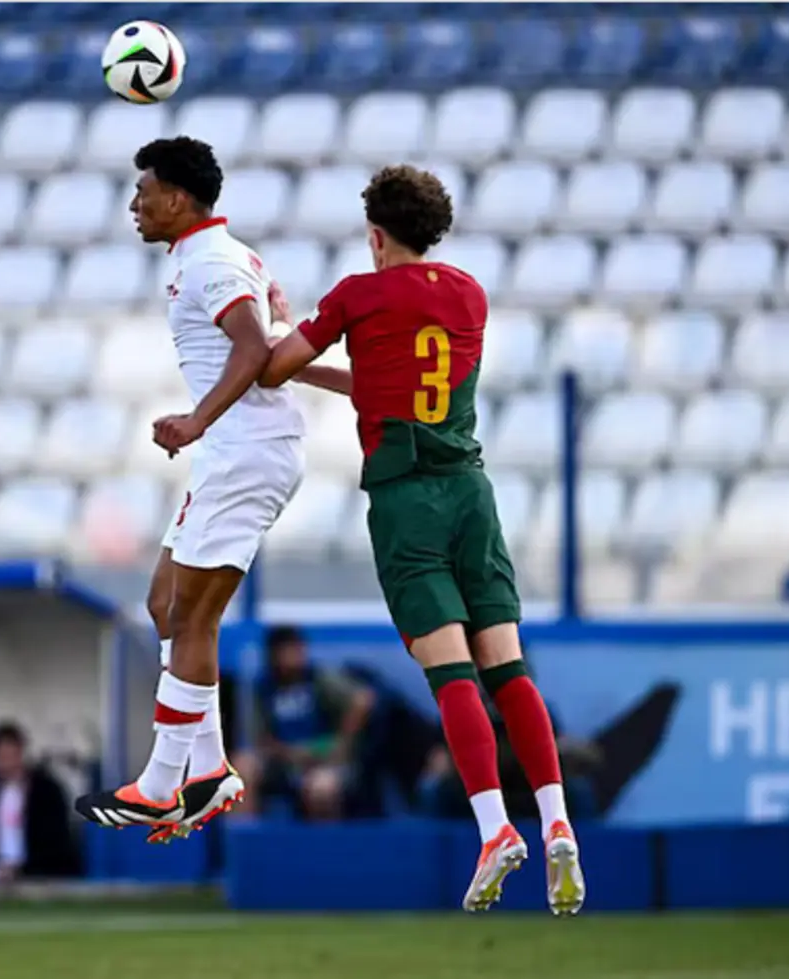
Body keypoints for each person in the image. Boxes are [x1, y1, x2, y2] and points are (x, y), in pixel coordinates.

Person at [259, 165, 586, 916]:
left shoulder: (357, 293)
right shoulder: (469, 294)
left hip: (407, 502)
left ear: (376, 234)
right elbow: (389, 381)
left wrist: (285, 334)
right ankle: (556, 815)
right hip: (471, 492)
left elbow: (275, 366)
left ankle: (495, 826)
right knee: (508, 664)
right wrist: (326, 373)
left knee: (453, 676)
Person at [75, 137, 306, 843]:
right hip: (232, 453)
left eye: (143, 192)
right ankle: (208, 768)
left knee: (194, 617)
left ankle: (159, 783)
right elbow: (274, 347)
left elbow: (252, 347)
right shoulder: (204, 256)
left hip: (243, 452)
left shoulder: (211, 261)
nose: (134, 205)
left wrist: (196, 420)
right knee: (165, 604)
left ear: (178, 198)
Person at [236, 626, 374, 820]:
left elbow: (362, 700)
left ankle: (321, 846)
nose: (294, 657)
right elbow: (260, 739)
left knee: (321, 788)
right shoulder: (263, 689)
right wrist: (289, 754)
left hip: (323, 759)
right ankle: (245, 840)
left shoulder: (319, 679)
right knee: (243, 767)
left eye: (297, 650)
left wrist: (341, 743)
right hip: (283, 761)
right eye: (286, 651)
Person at [0, 722, 79, 882]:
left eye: (9, 757)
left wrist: (19, 868)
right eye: (0, 757)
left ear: (21, 753)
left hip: (38, 871)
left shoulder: (47, 790)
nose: (5, 763)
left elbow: (56, 841)